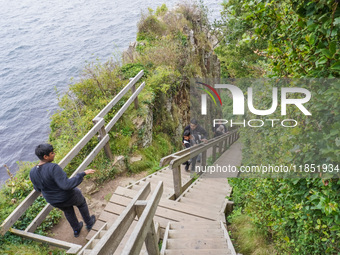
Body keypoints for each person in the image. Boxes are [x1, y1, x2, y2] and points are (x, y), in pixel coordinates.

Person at [29, 144, 96, 237]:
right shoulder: (53, 168)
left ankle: (76, 229)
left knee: (68, 211)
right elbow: (66, 185)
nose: (54, 154)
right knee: (81, 203)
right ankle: (89, 223)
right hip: (67, 196)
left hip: (53, 200)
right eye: (52, 153)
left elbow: (37, 188)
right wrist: (82, 174)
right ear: (45, 156)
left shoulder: (32, 172)